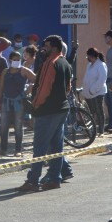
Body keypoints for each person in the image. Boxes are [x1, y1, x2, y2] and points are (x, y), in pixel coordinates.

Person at [16, 35, 73, 193]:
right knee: (57, 146)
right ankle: (54, 178)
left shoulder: (50, 63)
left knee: (39, 147)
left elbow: (43, 88)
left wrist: (35, 105)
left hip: (47, 110)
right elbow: (68, 87)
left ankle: (33, 180)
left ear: (54, 47)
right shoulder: (65, 63)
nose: (43, 49)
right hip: (61, 108)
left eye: (46, 46)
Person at [0, 51, 36, 156]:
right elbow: (1, 87)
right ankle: (3, 149)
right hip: (6, 101)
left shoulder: (24, 71)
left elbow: (37, 79)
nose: (17, 61)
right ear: (10, 60)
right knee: (4, 126)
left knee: (18, 126)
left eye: (19, 59)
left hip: (19, 102)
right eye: (14, 59)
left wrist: (29, 88)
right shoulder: (5, 71)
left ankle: (18, 150)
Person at [81, 47, 107, 136]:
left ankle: (101, 131)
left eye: (88, 56)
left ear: (91, 56)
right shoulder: (90, 65)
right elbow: (87, 78)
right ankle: (92, 130)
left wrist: (92, 90)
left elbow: (101, 80)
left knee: (99, 111)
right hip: (89, 93)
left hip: (98, 93)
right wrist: (84, 90)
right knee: (91, 112)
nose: (87, 58)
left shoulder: (101, 65)